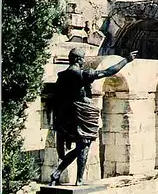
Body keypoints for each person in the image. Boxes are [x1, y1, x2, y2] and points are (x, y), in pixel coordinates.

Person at [49, 47, 138, 186]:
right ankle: (78, 180)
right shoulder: (81, 74)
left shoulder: (62, 76)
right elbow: (109, 71)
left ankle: (57, 173)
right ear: (78, 59)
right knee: (83, 146)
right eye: (83, 58)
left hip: (68, 115)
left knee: (82, 145)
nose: (84, 61)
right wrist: (126, 60)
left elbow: (56, 98)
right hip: (82, 114)